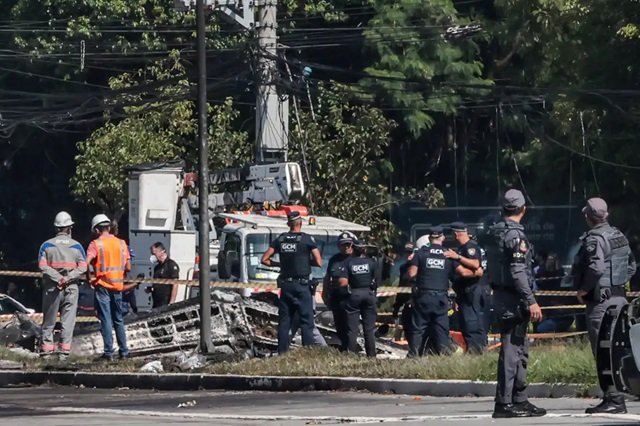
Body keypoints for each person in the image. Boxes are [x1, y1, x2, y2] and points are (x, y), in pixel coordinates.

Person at [573, 197, 636, 414]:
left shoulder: (595, 238)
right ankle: (618, 396)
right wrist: (617, 283)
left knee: (603, 351)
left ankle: (613, 399)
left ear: (588, 217)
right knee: (618, 349)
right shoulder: (618, 235)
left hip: (601, 303)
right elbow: (631, 265)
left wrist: (584, 290)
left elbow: (596, 268)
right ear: (606, 214)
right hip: (620, 300)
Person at [489, 189, 545, 418]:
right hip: (513, 299)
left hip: (505, 296)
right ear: (523, 209)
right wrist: (531, 301)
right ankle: (504, 403)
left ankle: (519, 399)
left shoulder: (497, 231)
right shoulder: (515, 235)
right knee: (512, 351)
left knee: (520, 350)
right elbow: (518, 271)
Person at [261, 210, 322, 354]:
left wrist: (278, 264)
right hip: (302, 286)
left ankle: (282, 353)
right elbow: (319, 262)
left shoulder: (281, 239)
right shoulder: (307, 239)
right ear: (300, 223)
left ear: (289, 224)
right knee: (306, 321)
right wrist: (306, 262)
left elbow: (264, 259)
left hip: (286, 286)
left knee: (284, 322)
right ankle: (307, 353)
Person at [38, 211, 87, 357]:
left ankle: (46, 352)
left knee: (49, 321)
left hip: (52, 287)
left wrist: (58, 278)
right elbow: (83, 267)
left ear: (56, 228)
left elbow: (42, 266)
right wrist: (67, 278)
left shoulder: (46, 245)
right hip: (71, 287)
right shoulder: (77, 246)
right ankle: (63, 353)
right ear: (69, 228)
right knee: (68, 322)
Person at [85, 214, 130, 361]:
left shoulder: (95, 244)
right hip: (117, 286)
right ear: (109, 227)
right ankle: (124, 352)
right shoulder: (122, 243)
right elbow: (128, 267)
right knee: (118, 319)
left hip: (102, 286)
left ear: (97, 230)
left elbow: (86, 263)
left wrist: (89, 277)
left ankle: (109, 353)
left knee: (105, 319)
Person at [406, 226, 456, 357]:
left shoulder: (421, 253)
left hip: (424, 296)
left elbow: (411, 274)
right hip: (441, 297)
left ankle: (414, 356)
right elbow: (459, 273)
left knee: (418, 329)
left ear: (429, 238)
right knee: (441, 329)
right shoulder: (448, 254)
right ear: (442, 237)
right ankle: (444, 356)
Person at [445, 222, 489, 354]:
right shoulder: (464, 248)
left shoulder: (469, 247)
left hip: (472, 291)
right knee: (468, 322)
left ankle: (476, 350)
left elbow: (475, 264)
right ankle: (477, 349)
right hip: (466, 292)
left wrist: (457, 257)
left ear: (456, 234)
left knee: (471, 323)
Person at [338, 240, 378, 357]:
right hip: (369, 294)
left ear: (353, 248)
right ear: (364, 250)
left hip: (354, 294)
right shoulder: (371, 262)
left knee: (352, 329)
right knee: (369, 329)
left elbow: (342, 282)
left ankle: (351, 354)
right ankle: (371, 355)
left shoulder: (348, 262)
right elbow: (376, 280)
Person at [323, 232, 354, 350]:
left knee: (350, 325)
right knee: (339, 325)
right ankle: (344, 347)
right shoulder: (334, 259)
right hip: (336, 296)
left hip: (350, 297)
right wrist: (325, 293)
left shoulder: (356, 259)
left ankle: (351, 349)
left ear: (352, 245)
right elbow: (327, 277)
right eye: (343, 245)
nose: (346, 247)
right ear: (338, 246)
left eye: (348, 244)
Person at [392, 243, 415, 343]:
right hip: (406, 301)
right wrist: (396, 307)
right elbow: (401, 286)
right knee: (406, 324)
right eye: (407, 252)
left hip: (418, 302)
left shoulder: (421, 267)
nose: (408, 255)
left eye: (410, 252)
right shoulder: (403, 268)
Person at [146, 242, 180, 309]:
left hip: (165, 302)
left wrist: (172, 302)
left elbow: (175, 284)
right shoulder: (157, 267)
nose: (152, 256)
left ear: (162, 251)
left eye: (154, 253)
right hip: (156, 302)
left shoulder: (171, 265)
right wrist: (151, 289)